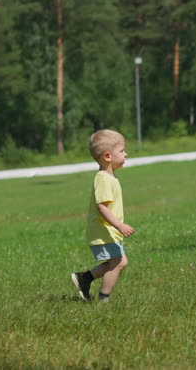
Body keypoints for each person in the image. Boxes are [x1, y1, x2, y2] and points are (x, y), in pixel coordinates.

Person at [71, 129, 134, 302]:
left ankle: (84, 278)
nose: (126, 154)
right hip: (103, 230)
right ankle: (103, 298)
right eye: (121, 151)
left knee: (113, 263)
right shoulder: (104, 179)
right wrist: (120, 225)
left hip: (107, 231)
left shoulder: (109, 176)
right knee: (119, 263)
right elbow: (102, 208)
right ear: (108, 156)